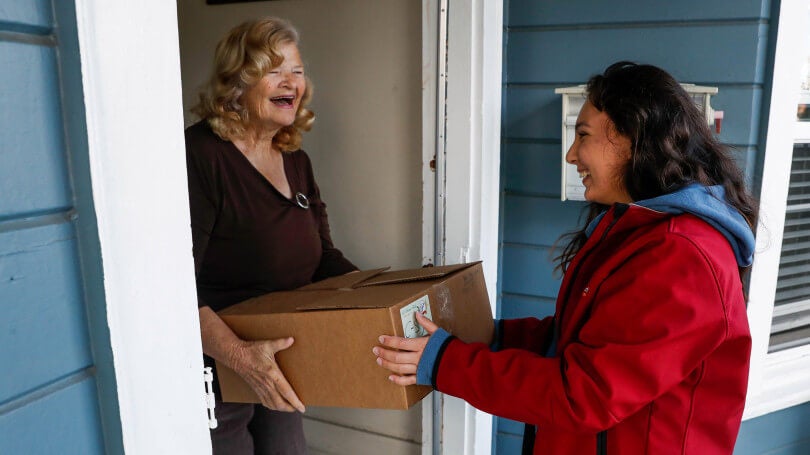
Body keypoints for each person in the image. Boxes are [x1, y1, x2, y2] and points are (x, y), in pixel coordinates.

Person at [373, 61, 757, 454]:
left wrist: (446, 363)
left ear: (632, 139)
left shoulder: (683, 257)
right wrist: (490, 335)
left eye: (583, 135)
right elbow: (578, 339)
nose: (572, 155)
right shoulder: (639, 231)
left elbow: (584, 394)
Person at [185, 17, 356, 454]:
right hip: (218, 362)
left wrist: (377, 299)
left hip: (281, 355)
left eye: (297, 71)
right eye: (274, 69)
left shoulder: (293, 156)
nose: (291, 82)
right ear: (236, 83)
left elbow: (323, 258)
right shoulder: (201, 156)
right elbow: (175, 287)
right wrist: (242, 357)